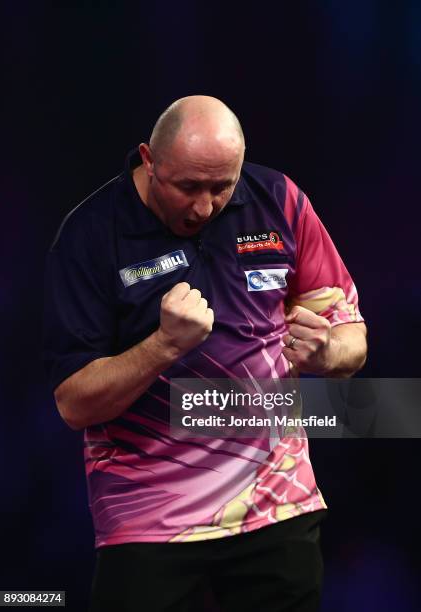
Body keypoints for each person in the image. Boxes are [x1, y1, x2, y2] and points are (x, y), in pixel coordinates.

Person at [43, 95, 367, 612]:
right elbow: (74, 404)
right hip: (150, 526)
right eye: (187, 187)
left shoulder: (279, 200)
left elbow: (351, 333)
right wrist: (163, 345)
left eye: (222, 187)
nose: (204, 207)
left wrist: (329, 353)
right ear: (148, 160)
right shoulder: (89, 235)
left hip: (278, 509)